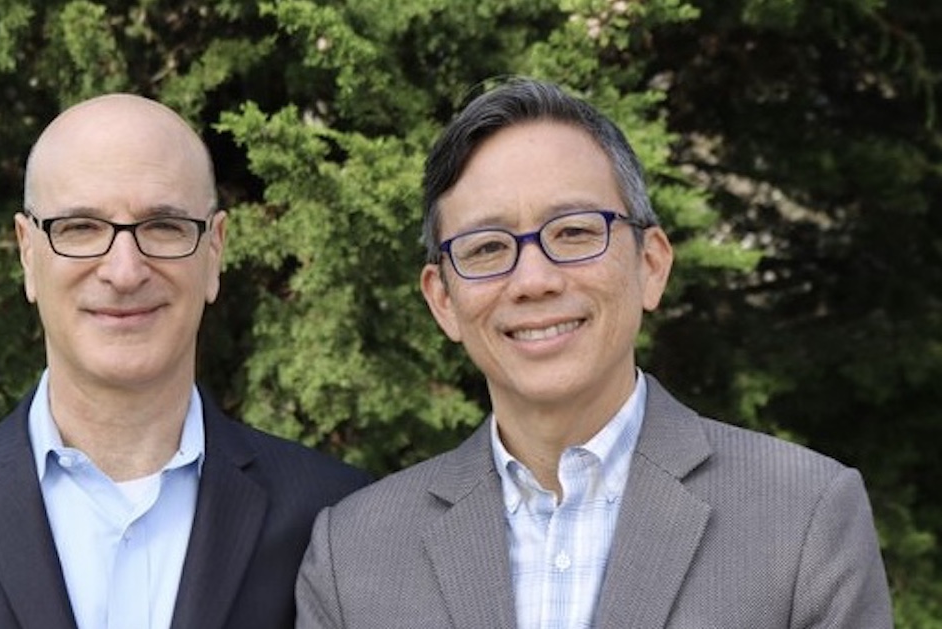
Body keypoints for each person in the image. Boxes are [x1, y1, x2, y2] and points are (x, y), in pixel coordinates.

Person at [295, 78, 892, 629]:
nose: (533, 279)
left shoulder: (803, 514)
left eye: (575, 232)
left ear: (651, 265)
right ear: (443, 301)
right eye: (485, 248)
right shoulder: (353, 553)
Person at [0, 94, 370, 629]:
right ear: (27, 252)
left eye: (163, 226)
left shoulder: (335, 517)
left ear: (215, 251)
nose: (124, 271)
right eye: (80, 228)